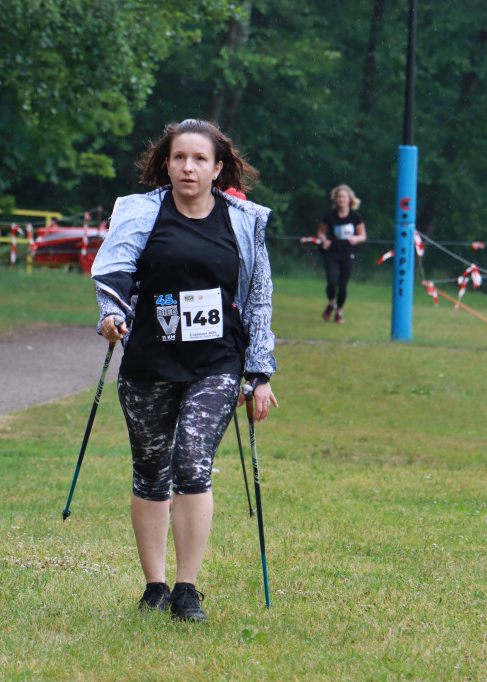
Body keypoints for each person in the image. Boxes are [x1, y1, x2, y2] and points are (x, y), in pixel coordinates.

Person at [90, 118, 278, 623]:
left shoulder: (244, 220)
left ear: (218, 168)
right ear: (165, 163)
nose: (188, 167)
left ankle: (186, 588)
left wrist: (259, 372)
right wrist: (112, 316)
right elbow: (114, 272)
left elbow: (258, 299)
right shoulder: (139, 213)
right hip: (149, 361)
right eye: (179, 157)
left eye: (199, 159)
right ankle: (153, 584)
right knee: (151, 471)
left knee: (192, 463)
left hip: (216, 363)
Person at [315, 184, 367, 323]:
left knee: (343, 285)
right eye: (339, 197)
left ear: (349, 199)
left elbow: (363, 235)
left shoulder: (355, 216)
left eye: (344, 197)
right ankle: (331, 303)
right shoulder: (329, 216)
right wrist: (323, 240)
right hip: (332, 251)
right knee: (332, 282)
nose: (341, 199)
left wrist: (356, 238)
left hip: (348, 251)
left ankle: (339, 313)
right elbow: (320, 232)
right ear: (335, 199)